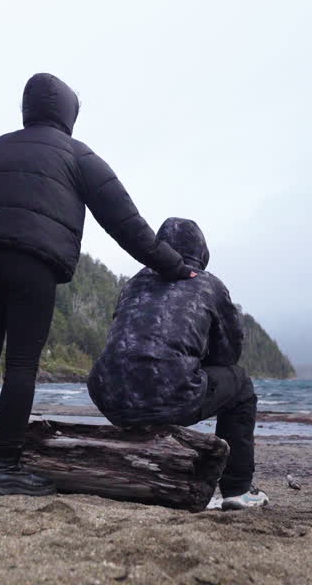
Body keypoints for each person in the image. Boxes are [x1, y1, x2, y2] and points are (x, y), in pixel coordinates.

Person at [0, 73, 195, 496]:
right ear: (68, 112)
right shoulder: (78, 155)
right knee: (21, 365)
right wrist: (175, 266)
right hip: (34, 262)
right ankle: (4, 468)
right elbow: (127, 224)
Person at [86, 217, 268, 510]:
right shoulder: (208, 284)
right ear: (201, 252)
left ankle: (146, 455)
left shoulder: (134, 282)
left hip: (109, 395)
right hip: (170, 392)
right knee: (241, 385)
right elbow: (228, 355)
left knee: (155, 380)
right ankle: (237, 489)